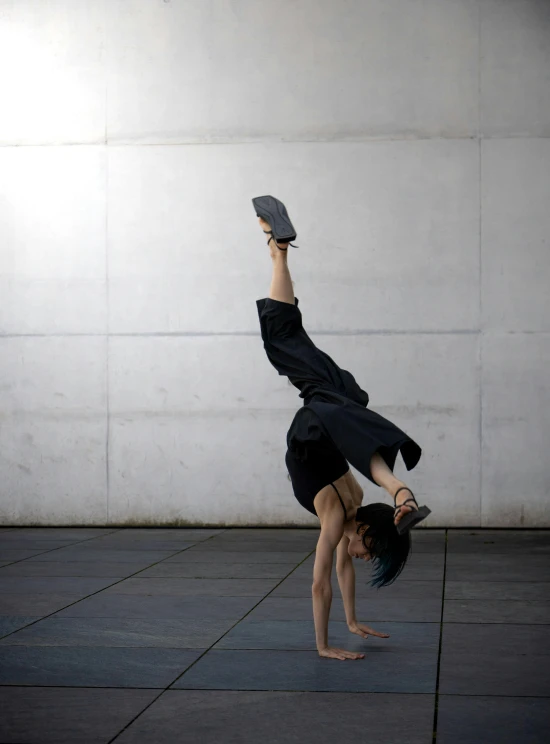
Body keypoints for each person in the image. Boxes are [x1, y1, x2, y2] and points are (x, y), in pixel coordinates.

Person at [253, 195, 431, 661]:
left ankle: (278, 250)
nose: (363, 559)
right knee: (283, 338)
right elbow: (318, 584)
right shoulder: (339, 511)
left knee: (286, 334)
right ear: (363, 532)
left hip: (335, 400)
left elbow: (340, 572)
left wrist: (351, 621)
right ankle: (399, 490)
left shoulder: (350, 503)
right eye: (370, 552)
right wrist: (325, 645)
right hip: (317, 424)